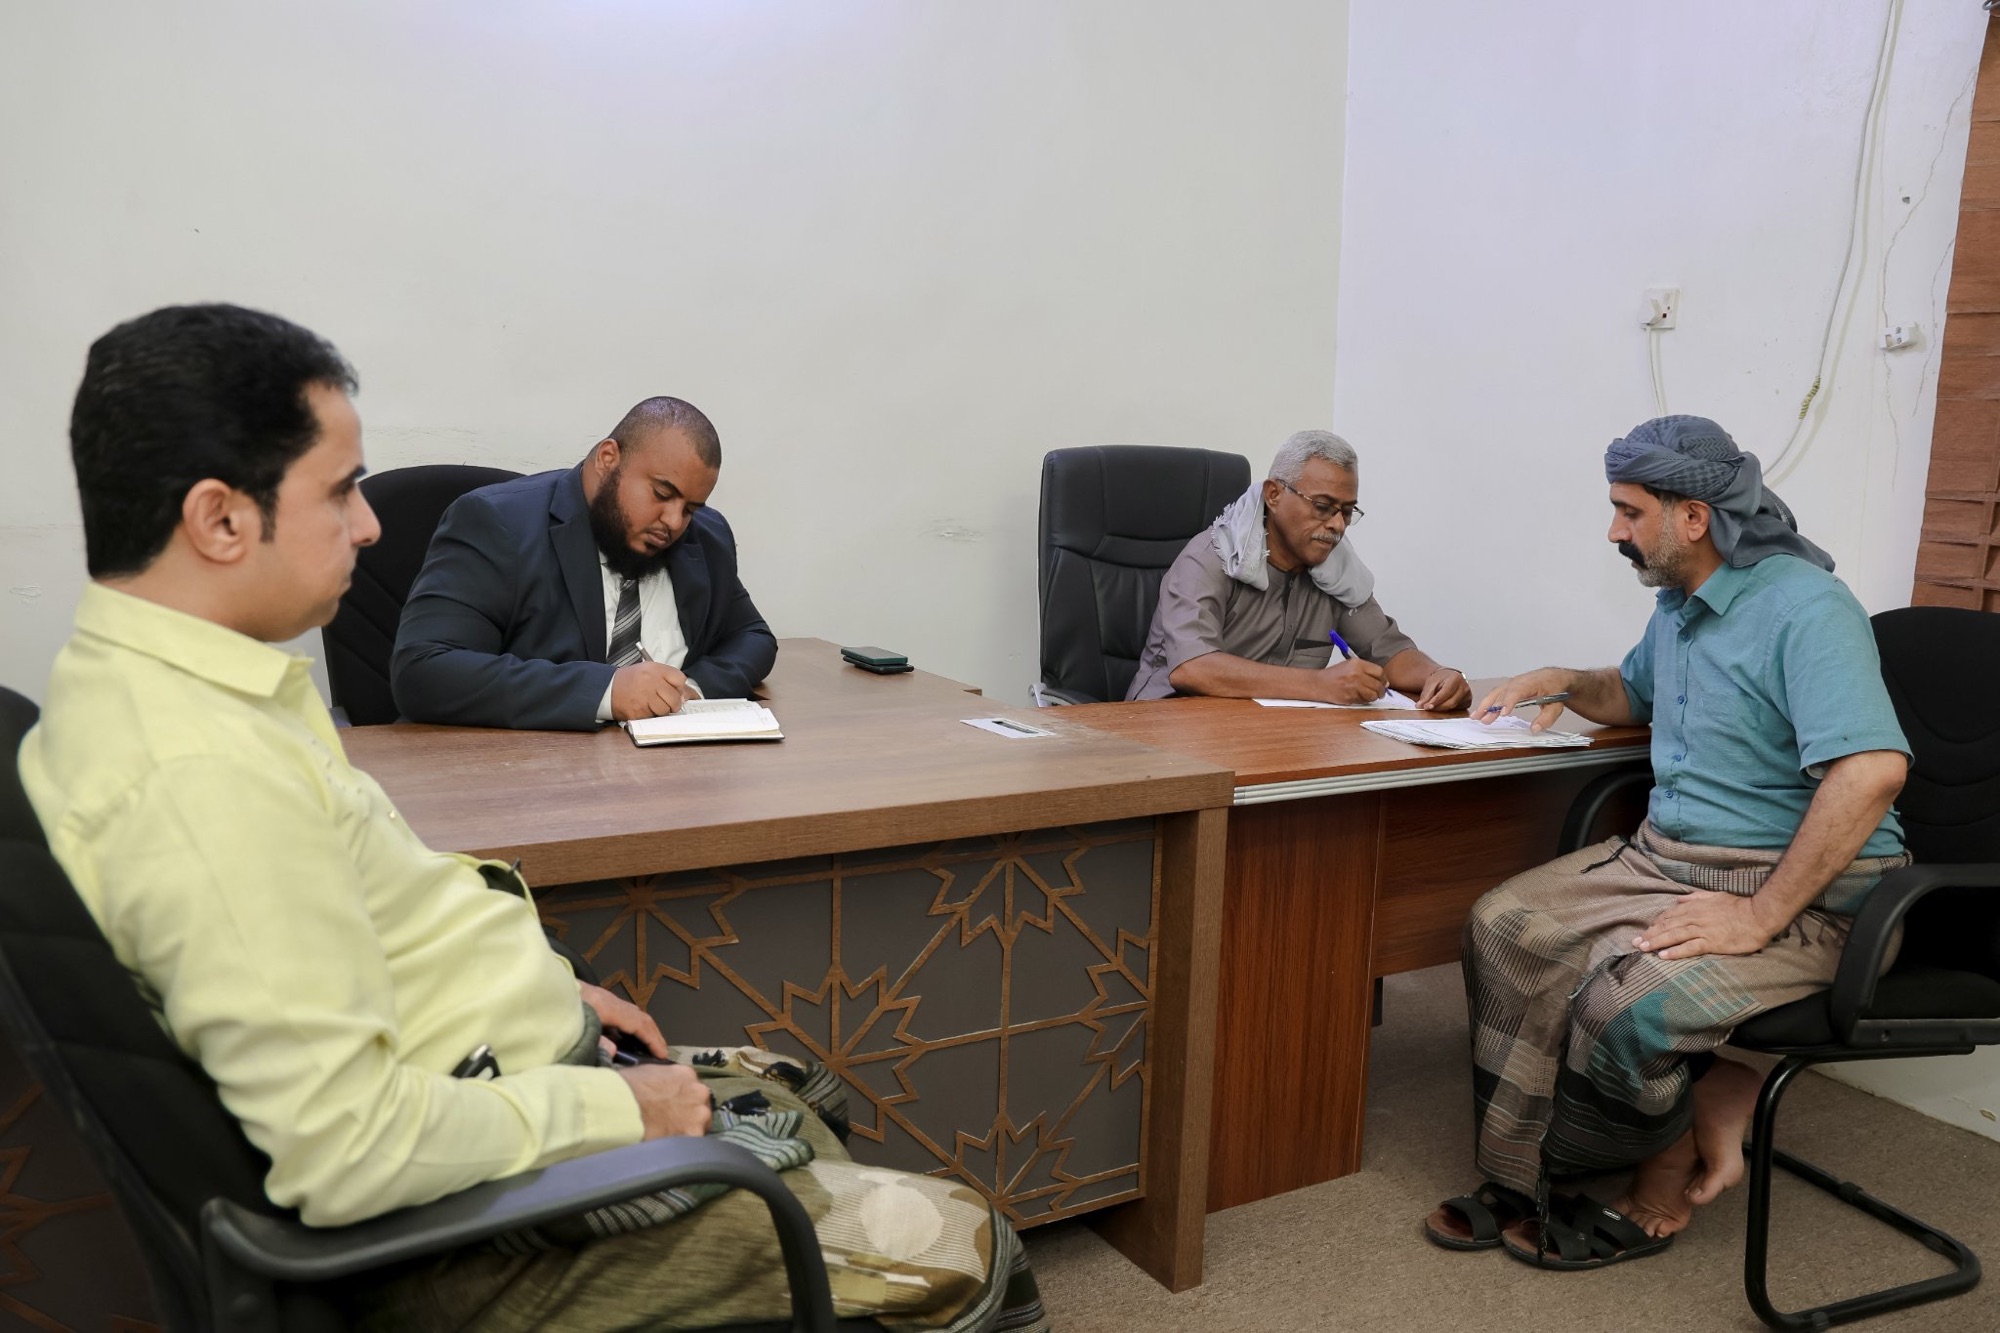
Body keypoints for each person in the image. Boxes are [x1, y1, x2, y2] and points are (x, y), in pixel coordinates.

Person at [21, 304, 1045, 1332]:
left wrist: (552, 991)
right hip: (470, 1232)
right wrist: (618, 1105)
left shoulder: (192, 698)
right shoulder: (200, 774)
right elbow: (347, 1149)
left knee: (797, 1089)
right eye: (340, 491)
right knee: (972, 1241)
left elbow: (373, 919)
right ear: (219, 520)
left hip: (487, 1070)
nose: (370, 525)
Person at [1424, 415, 1909, 1270]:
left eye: (1629, 511)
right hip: (1669, 862)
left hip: (1812, 896)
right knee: (1506, 925)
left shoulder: (1807, 607)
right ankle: (1536, 1169)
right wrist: (1564, 680)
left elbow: (1872, 772)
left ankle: (1665, 1159)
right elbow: (1633, 693)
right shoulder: (1682, 604)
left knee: (1629, 1003)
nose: (1614, 531)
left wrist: (1758, 915)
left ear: (1693, 516)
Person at [391, 395, 776, 731]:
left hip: (673, 770)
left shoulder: (705, 537)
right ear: (608, 459)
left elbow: (752, 636)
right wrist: (607, 691)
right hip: (524, 771)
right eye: (661, 493)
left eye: (690, 508)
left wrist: (691, 688)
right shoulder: (497, 524)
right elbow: (424, 670)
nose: (675, 522)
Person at [1124, 429, 1471, 709]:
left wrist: (1437, 675)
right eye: (1322, 506)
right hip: (1166, 731)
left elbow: (1389, 651)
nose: (1337, 525)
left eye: (1346, 511)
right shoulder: (1211, 557)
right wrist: (1320, 684)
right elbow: (1192, 668)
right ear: (1274, 495)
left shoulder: (1336, 569)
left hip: (1269, 737)